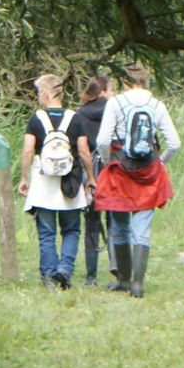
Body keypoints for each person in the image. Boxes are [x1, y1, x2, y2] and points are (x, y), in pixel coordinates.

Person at [91, 64, 181, 298]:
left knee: (120, 226)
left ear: (125, 81)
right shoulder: (157, 105)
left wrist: (108, 160)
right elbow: (174, 143)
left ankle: (123, 280)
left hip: (120, 169)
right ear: (145, 81)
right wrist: (161, 162)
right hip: (149, 170)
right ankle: (138, 285)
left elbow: (102, 140)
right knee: (142, 228)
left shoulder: (116, 103)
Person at [17, 74, 87, 290]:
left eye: (39, 93)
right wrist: (91, 178)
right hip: (70, 184)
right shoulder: (75, 118)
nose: (38, 98)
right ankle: (64, 270)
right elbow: (83, 151)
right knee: (72, 231)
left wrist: (23, 177)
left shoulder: (36, 119)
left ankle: (48, 277)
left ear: (46, 93)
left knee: (46, 233)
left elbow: (29, 149)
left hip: (43, 183)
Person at [68, 74, 114, 287]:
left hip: (91, 172)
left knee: (92, 223)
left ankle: (91, 276)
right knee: (115, 221)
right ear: (103, 92)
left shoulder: (80, 114)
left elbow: (80, 148)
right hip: (112, 169)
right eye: (111, 89)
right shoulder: (114, 109)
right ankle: (118, 268)